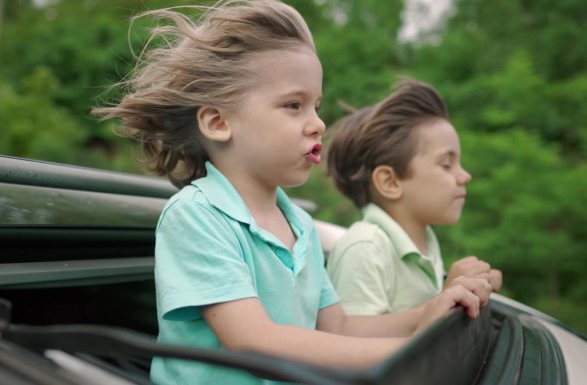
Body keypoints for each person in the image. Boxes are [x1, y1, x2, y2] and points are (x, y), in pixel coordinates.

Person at [92, 2, 492, 384]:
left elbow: (340, 327)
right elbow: (254, 339)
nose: (318, 124)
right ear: (218, 122)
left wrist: (430, 313)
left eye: (316, 106)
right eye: (293, 105)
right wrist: (405, 349)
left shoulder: (299, 225)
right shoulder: (196, 216)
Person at [326, 78, 503, 315]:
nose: (465, 176)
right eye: (447, 164)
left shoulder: (424, 240)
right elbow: (351, 342)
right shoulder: (365, 249)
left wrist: (471, 286)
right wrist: (445, 297)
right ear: (390, 182)